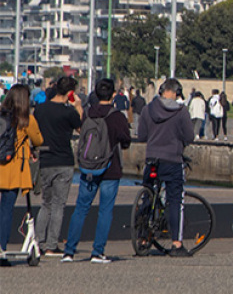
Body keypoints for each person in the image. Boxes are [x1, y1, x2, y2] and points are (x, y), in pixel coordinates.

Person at [61, 79, 132, 263]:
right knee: (105, 210)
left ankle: (69, 251)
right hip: (111, 167)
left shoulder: (88, 114)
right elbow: (126, 141)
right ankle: (97, 252)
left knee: (81, 208)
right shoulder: (117, 117)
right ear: (113, 94)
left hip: (88, 168)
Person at [137, 78, 196, 256]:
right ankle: (176, 244)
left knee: (148, 196)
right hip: (172, 159)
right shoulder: (181, 111)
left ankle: (143, 237)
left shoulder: (148, 110)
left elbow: (141, 136)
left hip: (152, 158)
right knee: (175, 200)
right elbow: (190, 136)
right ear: (176, 92)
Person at [32, 76, 83, 256]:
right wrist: (78, 107)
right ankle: (52, 244)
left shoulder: (40, 109)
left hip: (46, 159)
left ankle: (37, 242)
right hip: (63, 160)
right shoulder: (68, 112)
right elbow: (82, 129)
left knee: (45, 203)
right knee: (58, 205)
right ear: (70, 93)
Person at [0, 85, 43, 264]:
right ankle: (1, 248)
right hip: (13, 168)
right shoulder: (26, 121)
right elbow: (39, 139)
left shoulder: (1, 116)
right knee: (6, 209)